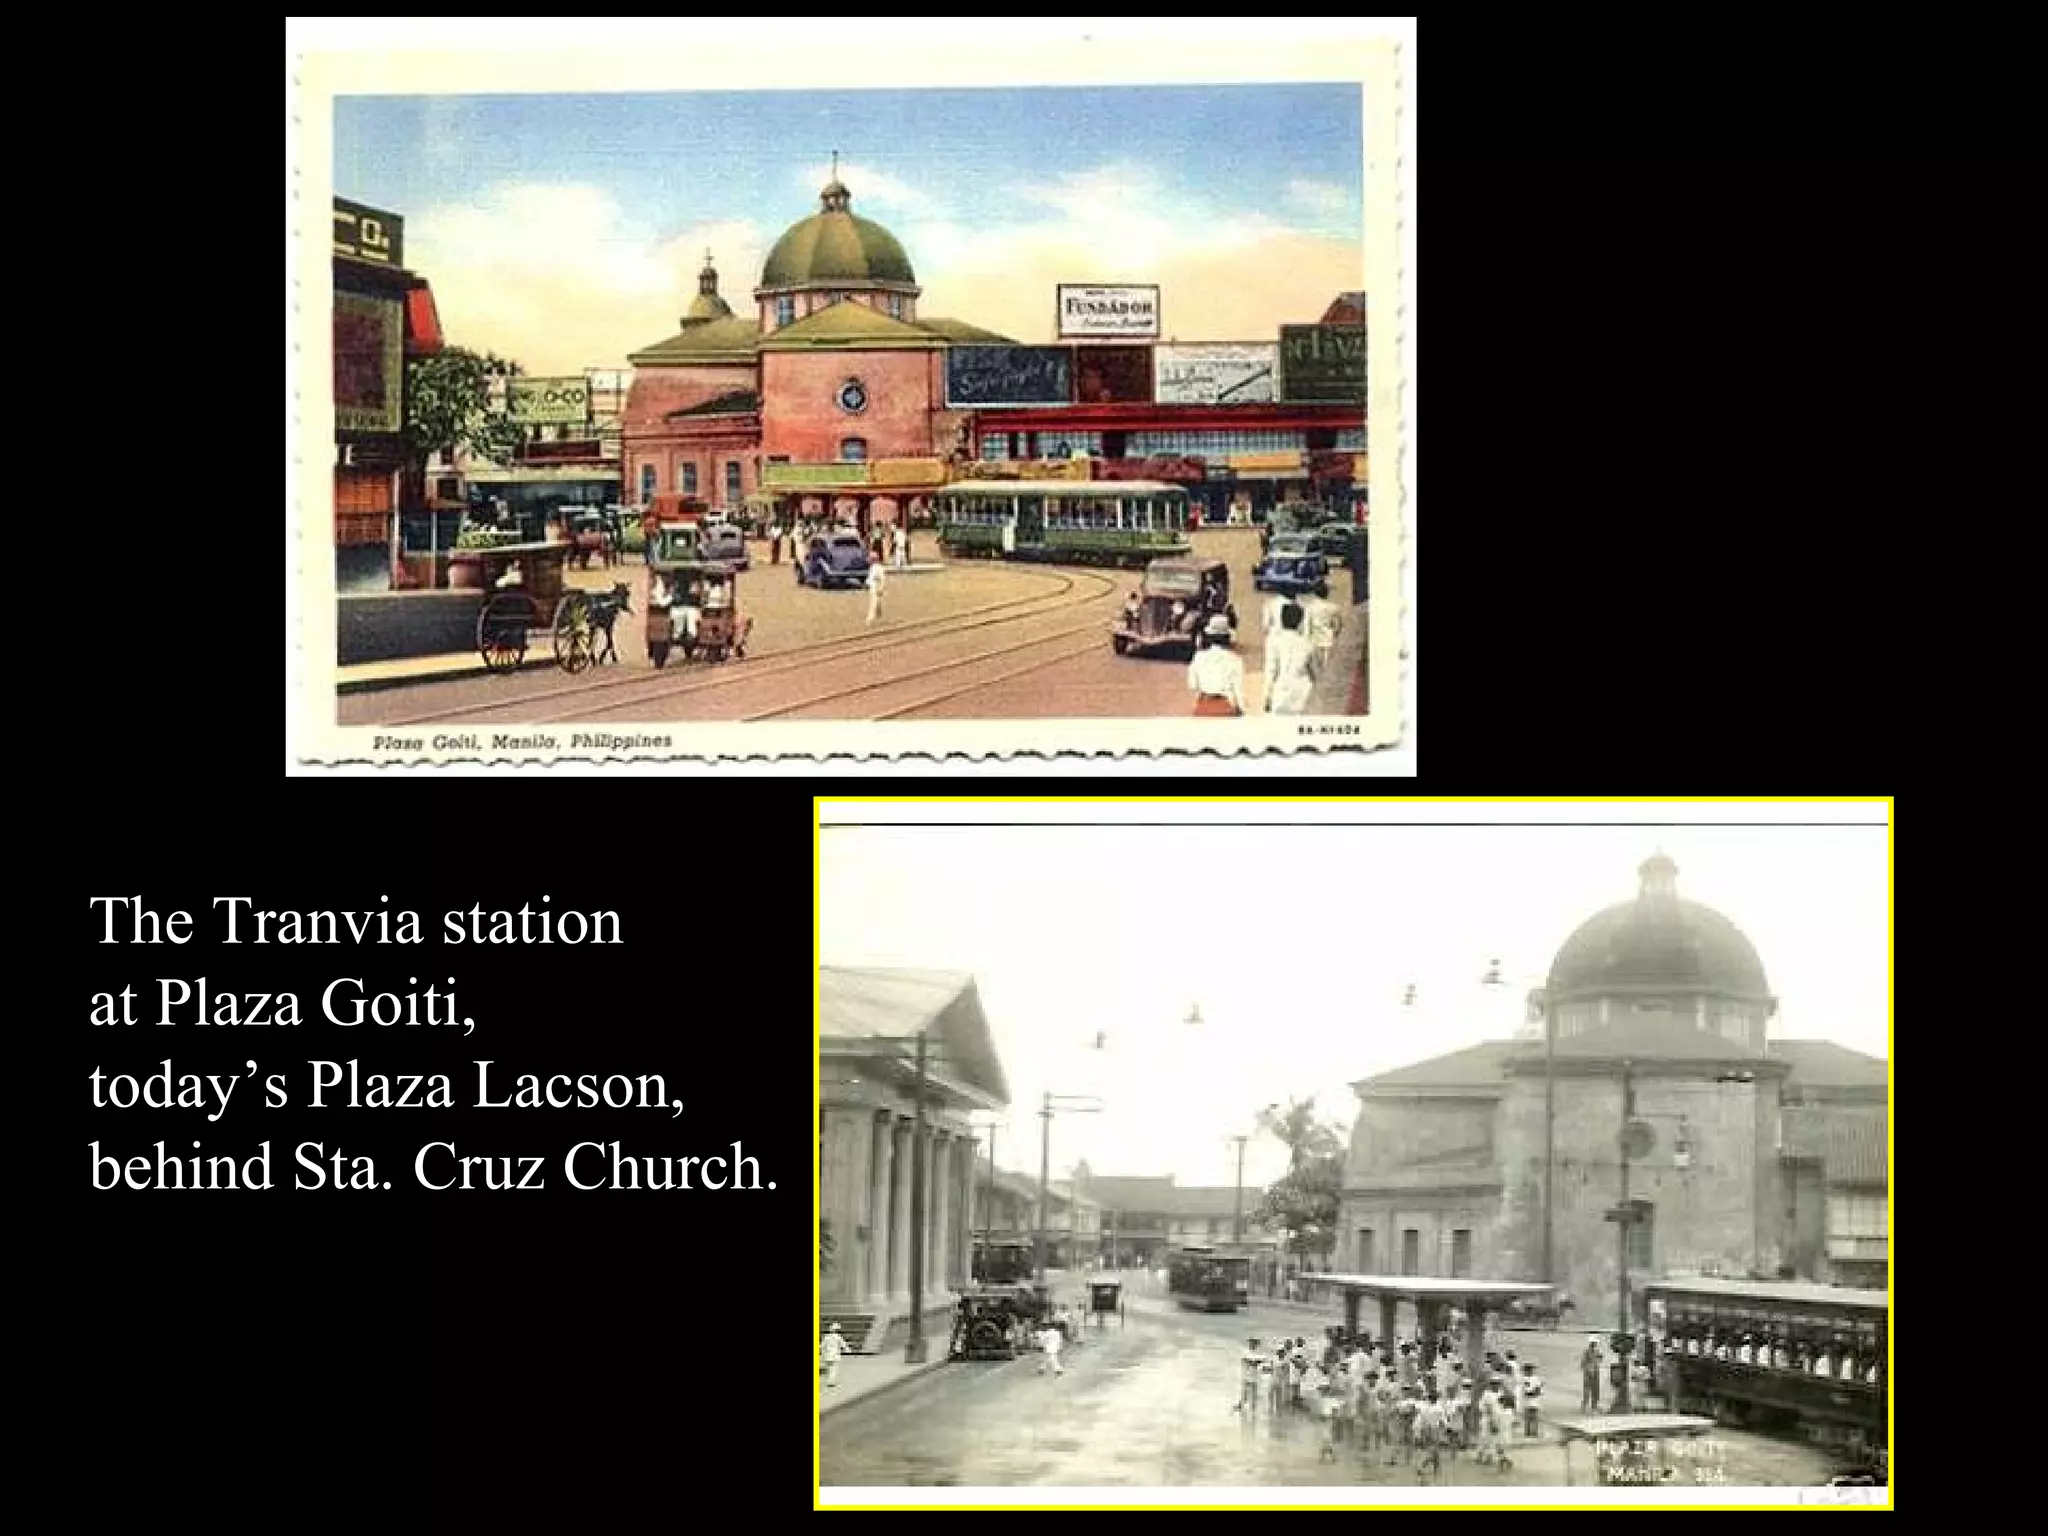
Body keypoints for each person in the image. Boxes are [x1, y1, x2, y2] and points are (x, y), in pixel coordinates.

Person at [1264, 601, 1317, 714]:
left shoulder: (1275, 642)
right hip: (1303, 693)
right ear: (1300, 621)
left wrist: (1267, 698)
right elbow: (1314, 673)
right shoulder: (1308, 643)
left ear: (1282, 619)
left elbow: (1271, 671)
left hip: (1282, 693)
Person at [1187, 615, 1246, 716]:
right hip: (1225, 706)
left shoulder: (1199, 657)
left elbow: (1192, 684)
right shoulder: (1235, 659)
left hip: (1203, 706)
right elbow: (1238, 692)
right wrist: (1242, 710)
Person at [1304, 587, 1343, 673]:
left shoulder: (1310, 607)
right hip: (1329, 638)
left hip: (1315, 639)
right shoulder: (1334, 608)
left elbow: (1307, 624)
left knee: (1316, 666)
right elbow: (1338, 626)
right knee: (1327, 666)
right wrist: (1335, 634)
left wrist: (1306, 638)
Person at [1236, 1337, 1264, 1415]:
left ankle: (1252, 1412)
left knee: (1253, 1395)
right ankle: (1241, 1410)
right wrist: (1255, 1363)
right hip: (1246, 1376)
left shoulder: (1258, 1353)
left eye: (1254, 1343)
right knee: (1244, 1395)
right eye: (1251, 1343)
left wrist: (1256, 1363)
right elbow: (1246, 1361)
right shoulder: (1246, 1352)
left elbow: (1261, 1363)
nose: (1252, 1344)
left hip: (1255, 1377)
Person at [819, 1321, 846, 1389]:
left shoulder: (826, 1337)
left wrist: (821, 1352)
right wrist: (847, 1350)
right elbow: (843, 1345)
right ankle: (831, 1382)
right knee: (833, 1368)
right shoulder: (838, 1337)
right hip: (835, 1355)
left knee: (829, 1368)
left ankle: (829, 1381)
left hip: (827, 1355)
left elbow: (822, 1346)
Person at [1521, 1361, 1544, 1439]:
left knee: (1533, 1417)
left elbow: (1537, 1390)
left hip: (1533, 1401)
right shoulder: (1523, 1379)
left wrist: (1530, 1393)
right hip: (1528, 1401)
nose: (1529, 1371)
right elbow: (1537, 1390)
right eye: (1528, 1369)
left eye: (1529, 1369)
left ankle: (1533, 1433)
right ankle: (1529, 1433)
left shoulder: (1535, 1379)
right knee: (1529, 1418)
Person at [1580, 1338, 1603, 1412]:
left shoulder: (1597, 1351)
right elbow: (1583, 1363)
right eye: (1593, 1344)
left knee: (1595, 1389)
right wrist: (1587, 1368)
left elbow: (1600, 1360)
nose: (1594, 1346)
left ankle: (1594, 1405)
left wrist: (1599, 1359)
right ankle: (1585, 1405)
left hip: (1595, 1371)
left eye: (1595, 1344)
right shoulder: (1587, 1352)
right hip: (1589, 1372)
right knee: (1587, 1389)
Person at [865, 557, 886, 625]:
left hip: (876, 586)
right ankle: (878, 617)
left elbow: (882, 579)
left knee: (874, 603)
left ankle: (870, 619)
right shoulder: (872, 568)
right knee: (877, 603)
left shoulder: (878, 568)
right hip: (872, 587)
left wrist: (881, 587)